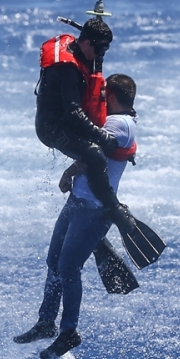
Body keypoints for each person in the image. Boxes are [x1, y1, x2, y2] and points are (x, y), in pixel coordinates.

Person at [16, 73, 139, 359]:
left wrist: (69, 166)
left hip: (94, 210)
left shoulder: (119, 124)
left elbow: (93, 151)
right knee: (54, 262)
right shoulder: (118, 121)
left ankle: (68, 332)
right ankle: (46, 322)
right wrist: (70, 172)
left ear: (111, 96)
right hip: (78, 202)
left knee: (69, 268)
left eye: (103, 94)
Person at [33, 17, 137, 235]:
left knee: (100, 135)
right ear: (87, 43)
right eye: (99, 50)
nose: (100, 56)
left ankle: (91, 220)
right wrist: (103, 138)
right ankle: (114, 209)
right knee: (95, 154)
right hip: (52, 127)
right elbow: (74, 114)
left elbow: (93, 70)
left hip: (68, 117)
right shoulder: (67, 70)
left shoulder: (83, 48)